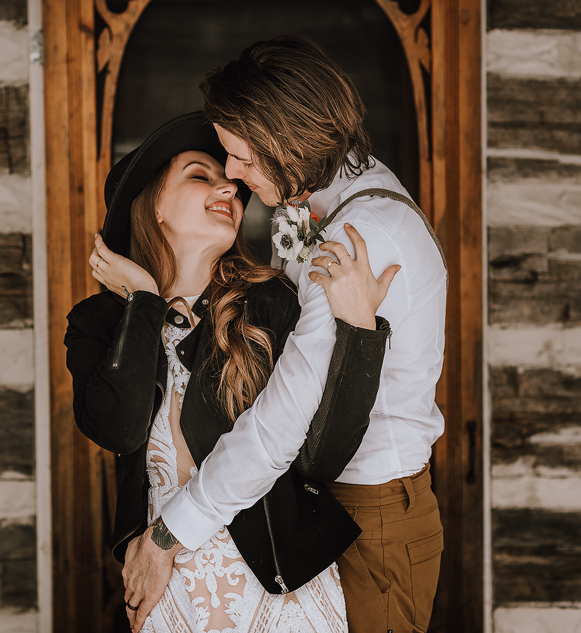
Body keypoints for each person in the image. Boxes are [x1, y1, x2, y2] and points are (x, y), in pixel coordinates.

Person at [119, 37, 448, 633]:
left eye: (241, 158)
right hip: (320, 506)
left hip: (372, 510)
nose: (236, 178)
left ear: (286, 139)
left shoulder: (361, 236)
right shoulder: (325, 202)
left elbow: (281, 421)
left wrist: (169, 533)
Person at [64, 112, 396, 632]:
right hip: (165, 584)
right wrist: (147, 303)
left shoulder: (269, 303)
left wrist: (359, 333)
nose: (230, 189)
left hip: (277, 585)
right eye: (201, 175)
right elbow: (118, 426)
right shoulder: (98, 324)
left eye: (234, 184)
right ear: (151, 204)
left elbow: (324, 452)